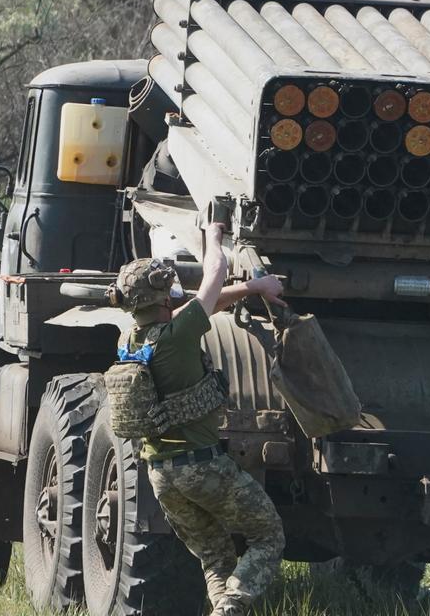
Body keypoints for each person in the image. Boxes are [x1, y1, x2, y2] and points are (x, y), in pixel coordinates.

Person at [114, 221, 287, 616]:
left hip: (160, 473)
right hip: (202, 467)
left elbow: (205, 305)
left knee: (214, 555)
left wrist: (252, 288)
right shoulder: (177, 334)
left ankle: (221, 607)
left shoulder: (128, 341)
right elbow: (214, 273)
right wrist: (214, 233)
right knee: (267, 535)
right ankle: (234, 606)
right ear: (162, 298)